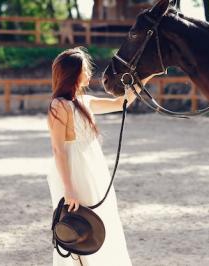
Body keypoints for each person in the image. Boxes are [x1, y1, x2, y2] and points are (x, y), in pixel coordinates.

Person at [46, 47, 142, 266]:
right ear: (74, 73)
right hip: (72, 170)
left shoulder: (85, 101)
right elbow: (58, 150)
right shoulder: (59, 106)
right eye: (85, 69)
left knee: (101, 220)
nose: (89, 74)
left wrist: (144, 77)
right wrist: (68, 189)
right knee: (78, 225)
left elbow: (121, 103)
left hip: (92, 167)